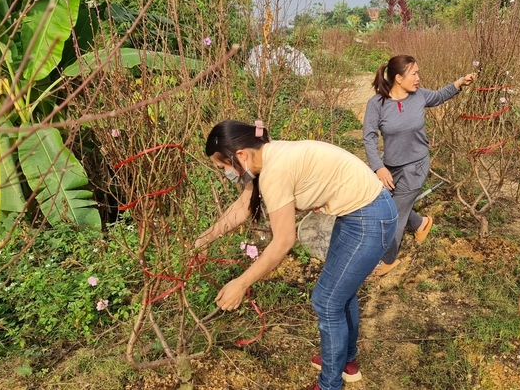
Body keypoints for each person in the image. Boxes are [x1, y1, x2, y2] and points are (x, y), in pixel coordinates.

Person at [195, 119, 397, 390]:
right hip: (360, 213)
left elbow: (283, 242)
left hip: (370, 217)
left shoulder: (274, 171)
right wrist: (206, 238)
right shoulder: (266, 155)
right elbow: (244, 205)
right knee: (339, 294)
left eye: (224, 167)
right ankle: (345, 362)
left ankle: (329, 384)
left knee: (326, 302)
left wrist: (240, 284)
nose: (226, 174)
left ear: (240, 155)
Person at [363, 55, 474, 276]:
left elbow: (441, 95)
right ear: (398, 78)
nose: (418, 78)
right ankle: (421, 223)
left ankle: (387, 259)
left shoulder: (420, 96)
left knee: (393, 213)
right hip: (390, 166)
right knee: (390, 206)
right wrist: (378, 167)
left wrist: (459, 83)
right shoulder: (377, 104)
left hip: (417, 166)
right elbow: (369, 138)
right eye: (414, 74)